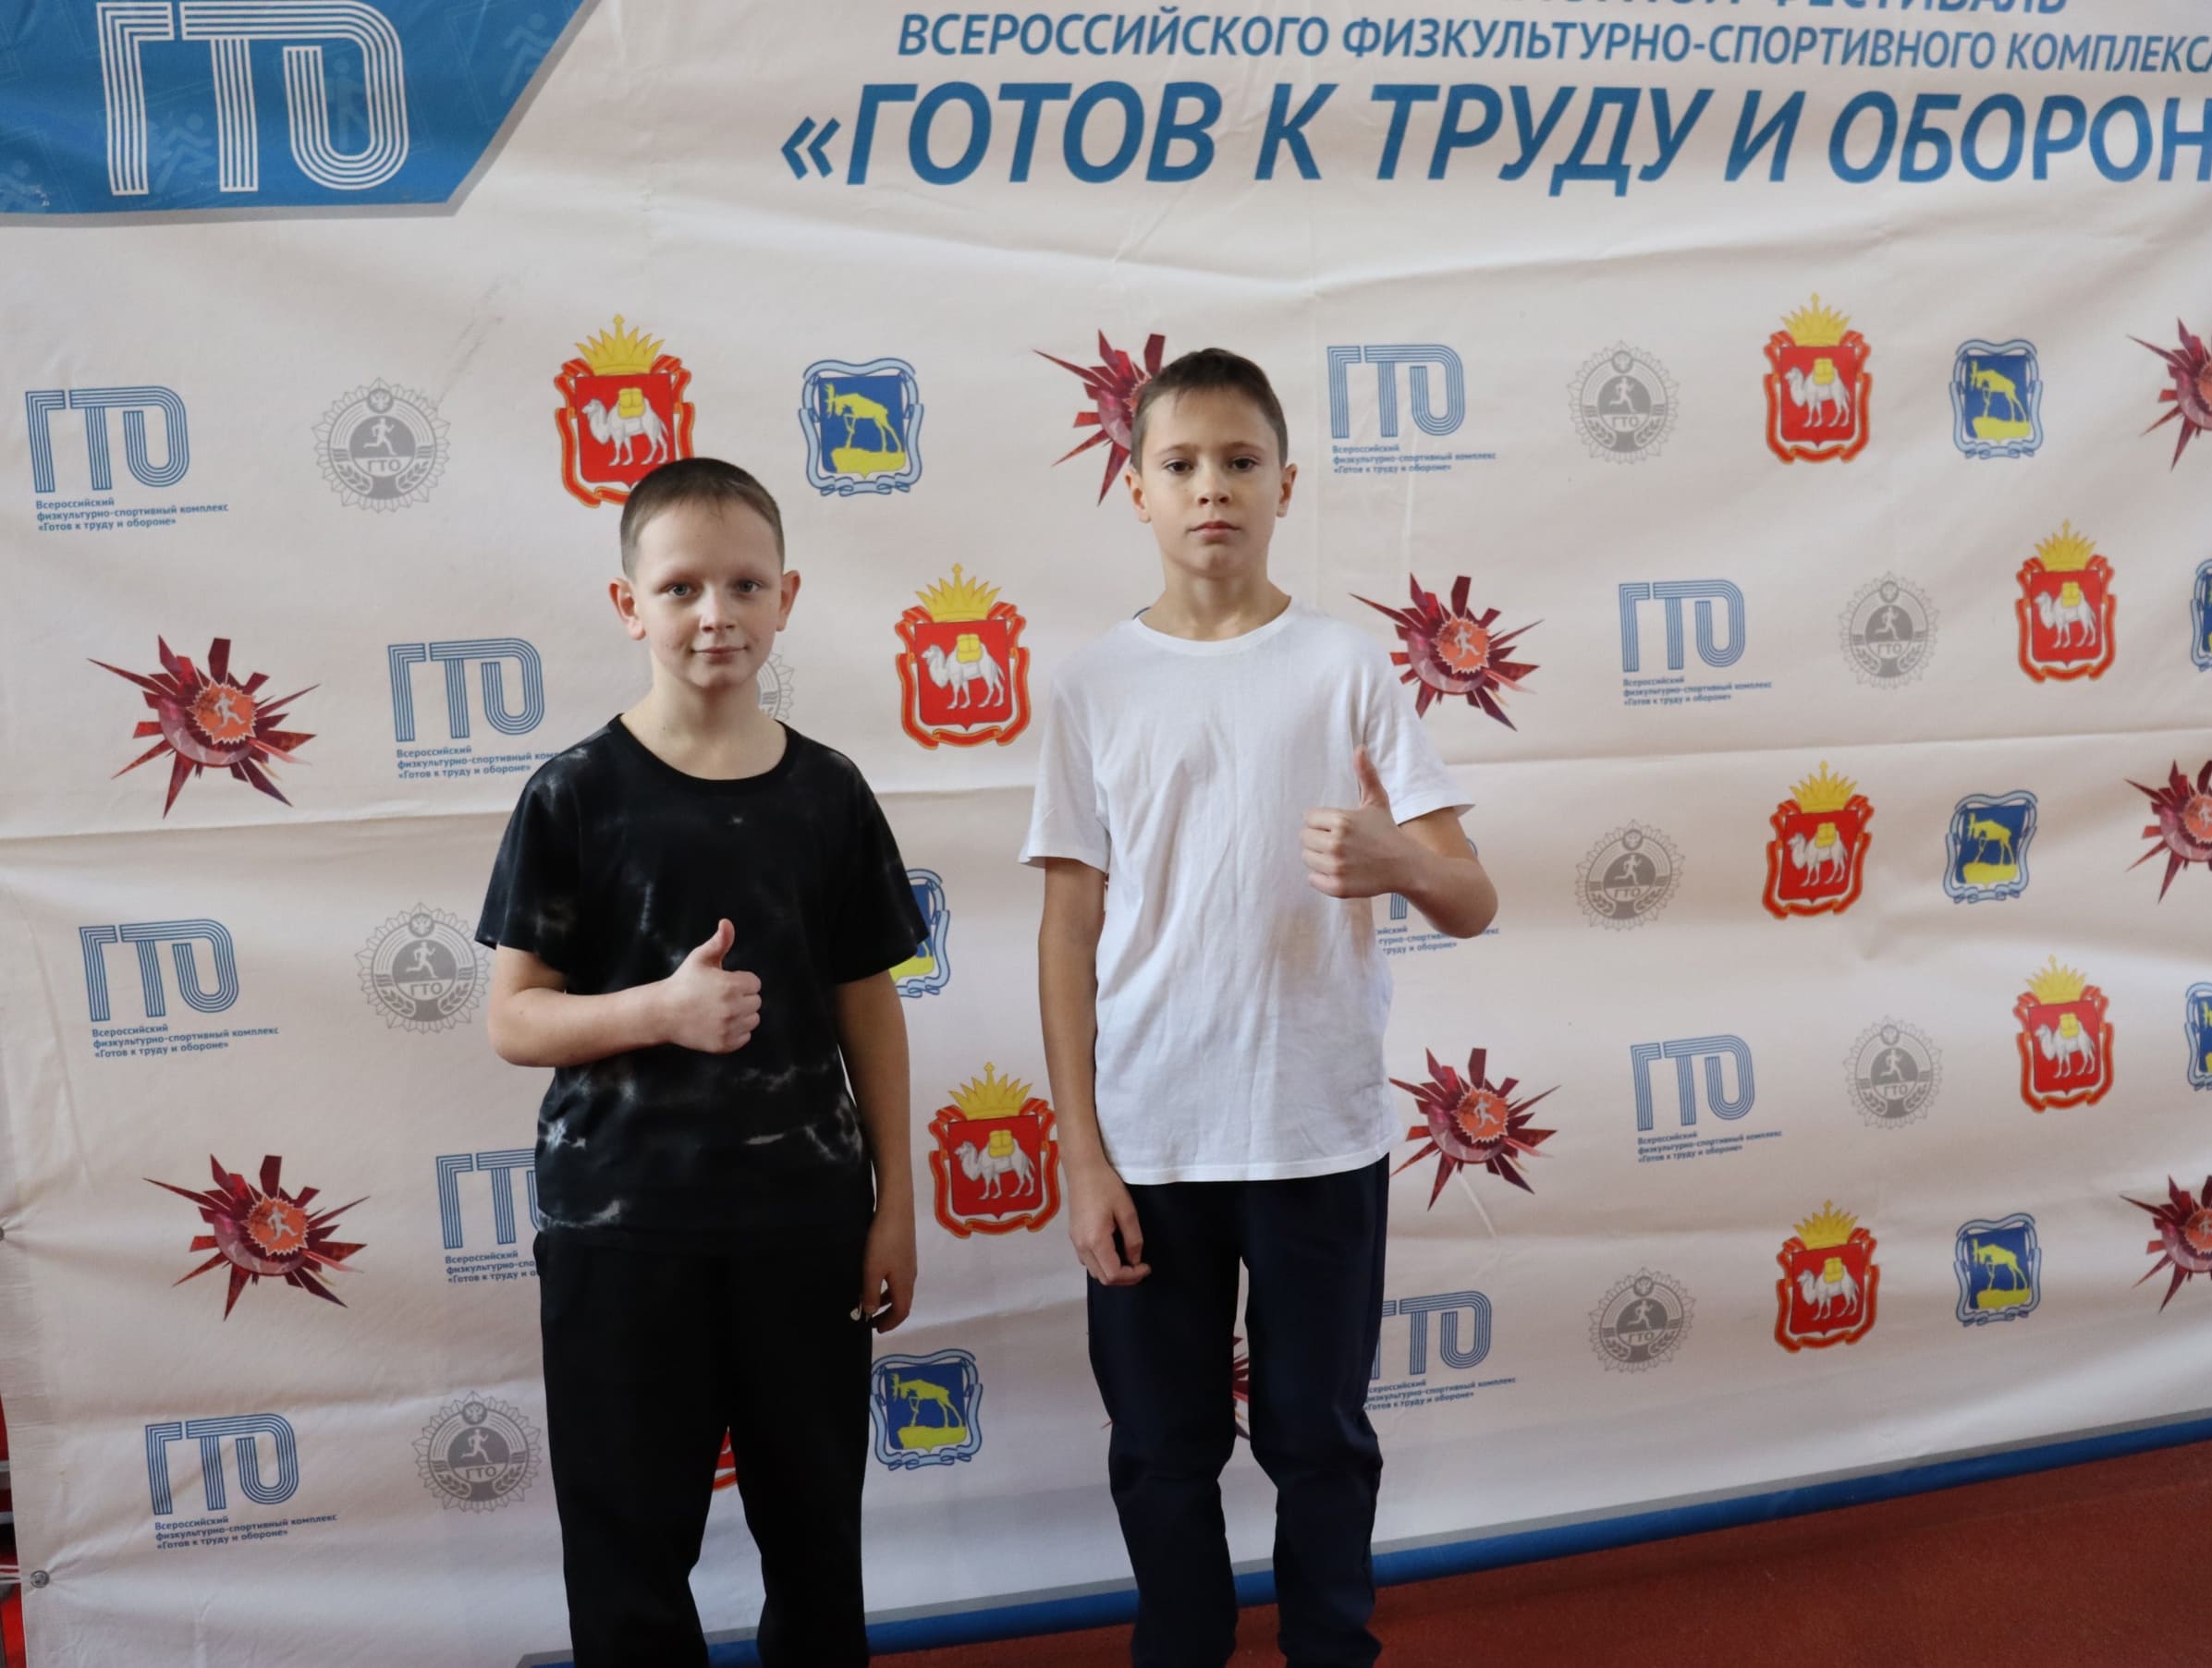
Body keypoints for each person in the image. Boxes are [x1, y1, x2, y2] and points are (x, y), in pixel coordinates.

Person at [1022, 348, 1498, 1666]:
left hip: (1315, 1137)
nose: (1211, 488)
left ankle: (1330, 1650)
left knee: (1321, 1440)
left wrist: (1398, 858)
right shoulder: (1092, 685)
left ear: (1287, 483)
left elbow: (1471, 895)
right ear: (1136, 489)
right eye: (1180, 464)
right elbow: (1067, 931)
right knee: (1160, 1448)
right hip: (1150, 1144)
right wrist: (1082, 1153)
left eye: (1240, 462)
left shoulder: (1347, 667)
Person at [477, 457, 924, 1667]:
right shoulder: (573, 794)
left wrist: (894, 1203)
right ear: (629, 606)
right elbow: (513, 1018)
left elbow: (869, 1002)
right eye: (680, 587)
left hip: (805, 1231)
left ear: (788, 596)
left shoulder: (829, 793)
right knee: (628, 1561)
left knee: (817, 1546)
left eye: (744, 585)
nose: (714, 613)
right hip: (622, 1240)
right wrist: (658, 1011)